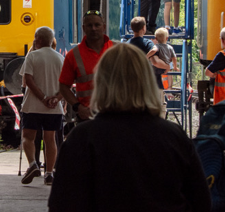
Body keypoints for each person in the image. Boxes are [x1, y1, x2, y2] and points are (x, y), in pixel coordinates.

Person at [48, 43, 211, 212]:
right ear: (146, 81)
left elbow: (61, 203)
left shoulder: (81, 139)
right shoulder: (174, 137)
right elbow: (201, 201)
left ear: (101, 83)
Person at [20, 26, 64, 186]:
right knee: (50, 139)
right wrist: (56, 99)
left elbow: (28, 81)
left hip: (32, 107)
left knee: (28, 137)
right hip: (54, 109)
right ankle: (50, 174)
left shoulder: (32, 57)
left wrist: (43, 98)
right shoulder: (60, 58)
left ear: (37, 39)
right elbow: (66, 84)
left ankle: (33, 164)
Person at [58, 10, 114, 123]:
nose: (93, 28)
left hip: (116, 115)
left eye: (97, 25)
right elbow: (63, 86)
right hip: (88, 118)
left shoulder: (116, 50)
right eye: (89, 25)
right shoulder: (73, 55)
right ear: (83, 28)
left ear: (104, 27)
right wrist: (78, 107)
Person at [127, 17, 171, 91]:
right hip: (145, 82)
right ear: (144, 28)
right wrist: (167, 66)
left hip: (130, 82)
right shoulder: (147, 43)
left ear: (131, 28)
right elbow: (155, 62)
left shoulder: (126, 44)